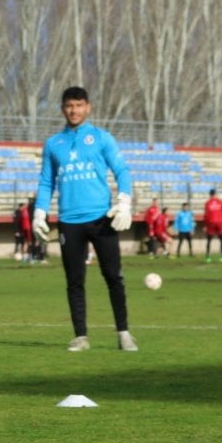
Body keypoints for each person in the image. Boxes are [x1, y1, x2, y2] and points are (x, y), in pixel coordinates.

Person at [34, 86, 137, 352]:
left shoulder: (101, 138)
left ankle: (124, 333)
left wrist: (124, 202)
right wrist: (39, 212)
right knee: (74, 280)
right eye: (69, 105)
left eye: (79, 105)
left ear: (88, 107)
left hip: (102, 218)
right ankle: (81, 337)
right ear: (62, 109)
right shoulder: (53, 144)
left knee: (113, 276)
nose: (74, 110)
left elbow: (122, 171)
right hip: (69, 220)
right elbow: (46, 182)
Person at [203, 188, 222, 263]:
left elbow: (206, 215)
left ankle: (208, 257)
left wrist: (205, 225)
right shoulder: (220, 202)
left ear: (209, 194)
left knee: (209, 240)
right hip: (220, 222)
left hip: (211, 223)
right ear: (215, 194)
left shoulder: (207, 203)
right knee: (221, 240)